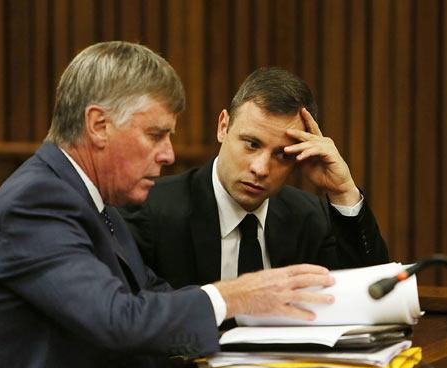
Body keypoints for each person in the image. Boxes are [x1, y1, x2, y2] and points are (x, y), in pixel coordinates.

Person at [0, 42, 336, 368]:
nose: (168, 154)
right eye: (156, 135)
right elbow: (117, 319)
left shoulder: (94, 202)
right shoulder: (36, 202)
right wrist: (234, 295)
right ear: (98, 125)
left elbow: (152, 296)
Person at [120, 67, 389, 291]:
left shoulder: (310, 218)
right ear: (223, 126)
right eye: (251, 144)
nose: (260, 168)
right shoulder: (150, 211)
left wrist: (343, 192)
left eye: (282, 155)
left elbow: (372, 297)